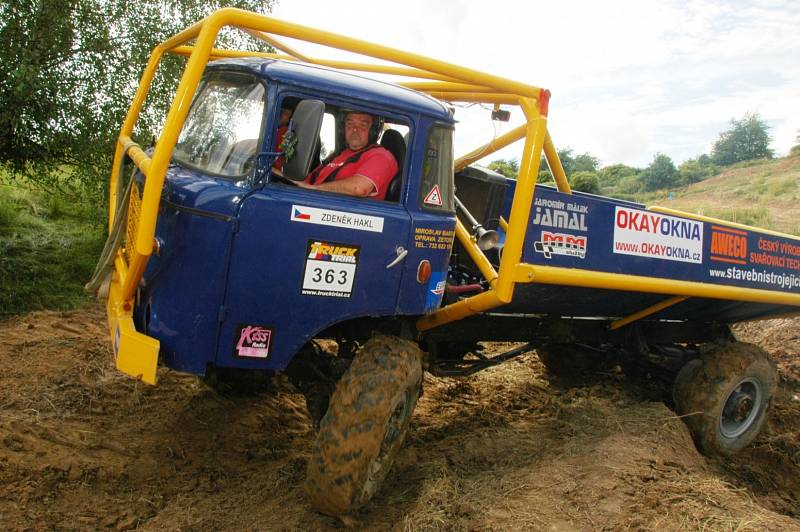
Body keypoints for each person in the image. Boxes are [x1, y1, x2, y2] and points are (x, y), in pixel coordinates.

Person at [298, 111, 398, 200]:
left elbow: (359, 188)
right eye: (350, 124)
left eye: (363, 125)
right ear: (343, 129)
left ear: (373, 131)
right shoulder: (339, 154)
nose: (355, 129)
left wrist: (314, 189)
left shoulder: (381, 157)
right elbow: (308, 181)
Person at [272, 104, 294, 171]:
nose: (287, 120)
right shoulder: (276, 130)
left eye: (288, 116)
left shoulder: (284, 131)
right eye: (286, 114)